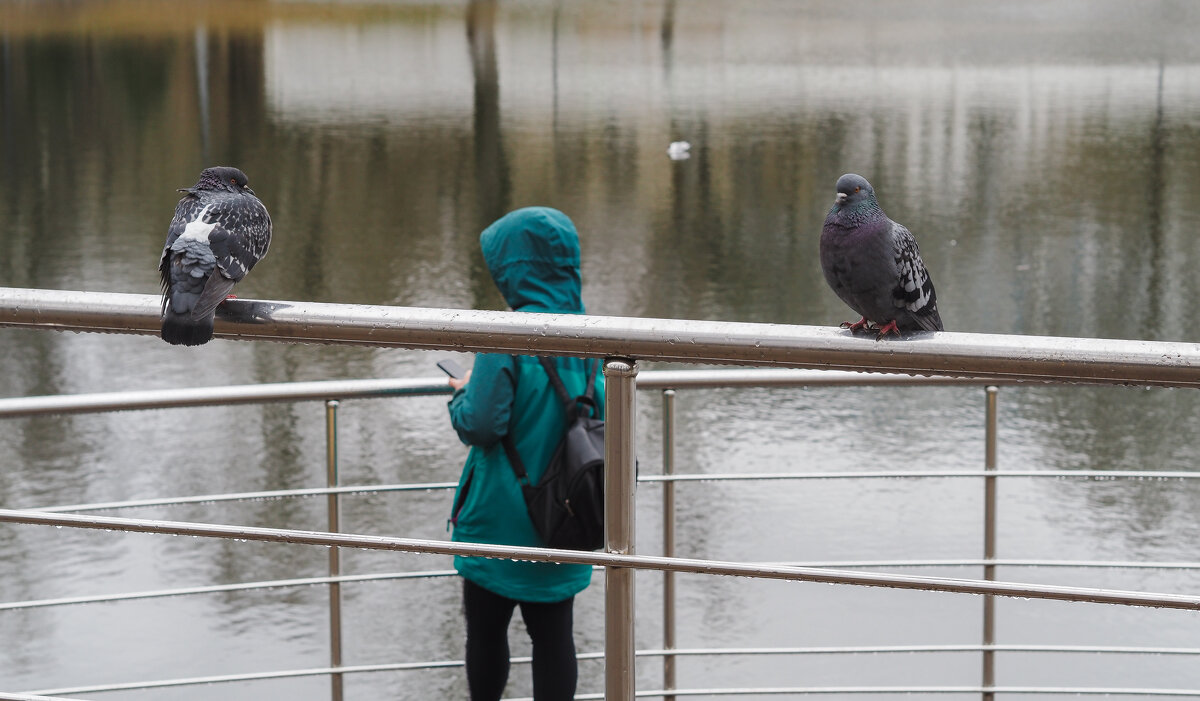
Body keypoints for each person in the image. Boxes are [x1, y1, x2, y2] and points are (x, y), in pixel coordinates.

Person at [446, 207, 604, 701]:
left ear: (512, 268)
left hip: (499, 519)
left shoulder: (506, 334)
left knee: (487, 635)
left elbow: (480, 424)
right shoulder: (593, 334)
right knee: (555, 639)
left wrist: (459, 393)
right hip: (568, 516)